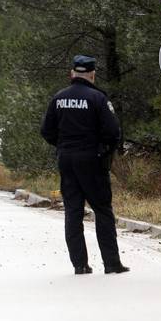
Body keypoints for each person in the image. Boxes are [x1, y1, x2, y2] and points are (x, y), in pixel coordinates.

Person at [40, 55, 129, 275]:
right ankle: (111, 263)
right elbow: (113, 132)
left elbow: (46, 131)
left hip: (67, 159)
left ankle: (79, 265)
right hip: (92, 160)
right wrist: (104, 151)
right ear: (92, 74)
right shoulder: (97, 98)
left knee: (73, 211)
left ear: (72, 74)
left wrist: (62, 146)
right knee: (102, 210)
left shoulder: (58, 98)